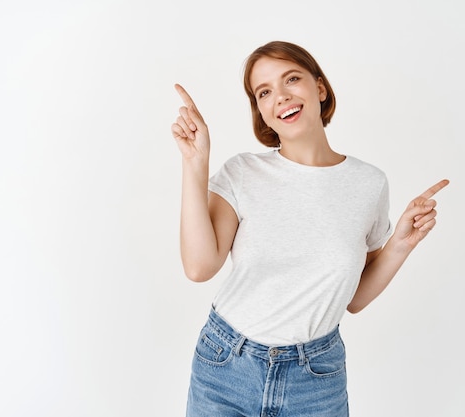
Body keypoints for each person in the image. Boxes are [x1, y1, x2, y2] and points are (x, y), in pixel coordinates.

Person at [172, 40, 449, 417]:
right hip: (226, 367)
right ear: (262, 113)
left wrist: (399, 245)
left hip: (315, 378)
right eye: (265, 92)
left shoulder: (368, 183)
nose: (281, 97)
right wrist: (195, 162)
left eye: (292, 79)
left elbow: (354, 299)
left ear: (319, 88)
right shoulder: (242, 173)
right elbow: (199, 267)